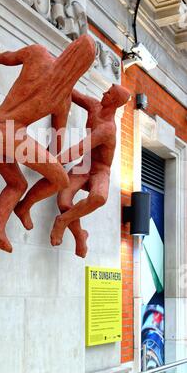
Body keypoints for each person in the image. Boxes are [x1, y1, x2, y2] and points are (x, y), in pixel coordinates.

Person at [0, 33, 96, 253]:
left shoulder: (38, 53)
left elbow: (2, 57)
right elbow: (56, 143)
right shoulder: (63, 97)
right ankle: (25, 206)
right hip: (6, 134)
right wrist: (53, 159)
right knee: (60, 178)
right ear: (82, 69)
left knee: (17, 183)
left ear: (70, 49)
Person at [49, 85, 131, 258]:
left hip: (100, 172)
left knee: (99, 197)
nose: (103, 92)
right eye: (106, 89)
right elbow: (74, 93)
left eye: (108, 93)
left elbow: (79, 148)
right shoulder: (94, 106)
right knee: (63, 201)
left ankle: (62, 221)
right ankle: (80, 235)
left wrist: (51, 163)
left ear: (114, 102)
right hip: (84, 166)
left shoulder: (108, 128)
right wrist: (56, 73)